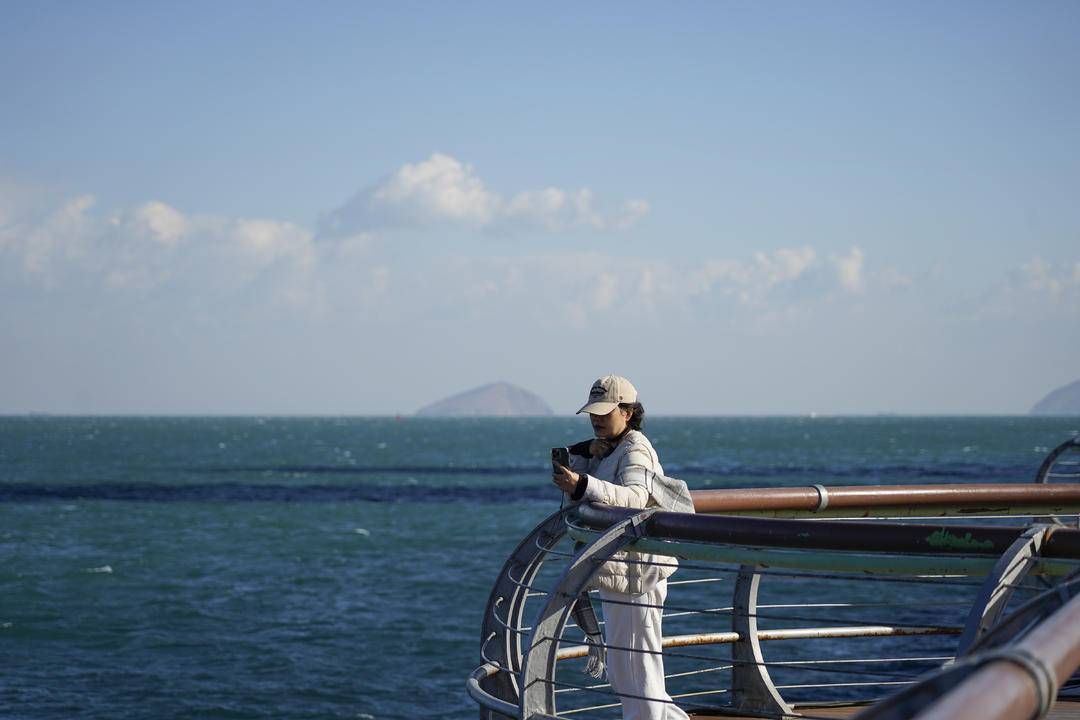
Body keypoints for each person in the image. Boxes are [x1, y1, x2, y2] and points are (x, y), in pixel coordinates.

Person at [552, 375, 690, 720]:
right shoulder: (613, 447)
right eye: (593, 414)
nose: (597, 419)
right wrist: (585, 455)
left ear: (627, 412)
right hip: (621, 567)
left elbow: (634, 498)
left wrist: (583, 484)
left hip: (639, 568)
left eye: (605, 412)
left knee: (637, 664)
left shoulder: (636, 449)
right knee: (626, 662)